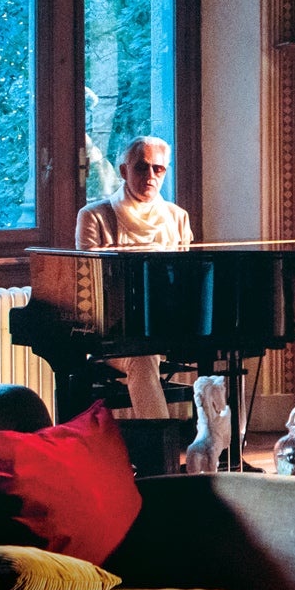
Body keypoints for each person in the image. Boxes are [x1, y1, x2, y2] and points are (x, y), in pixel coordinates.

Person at [75, 135, 193, 417]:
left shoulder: (178, 217)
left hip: (166, 328)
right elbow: (90, 286)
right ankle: (158, 442)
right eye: (142, 167)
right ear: (124, 171)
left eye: (158, 169)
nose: (150, 175)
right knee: (143, 357)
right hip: (113, 335)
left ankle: (224, 440)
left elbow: (185, 281)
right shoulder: (94, 216)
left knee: (229, 351)